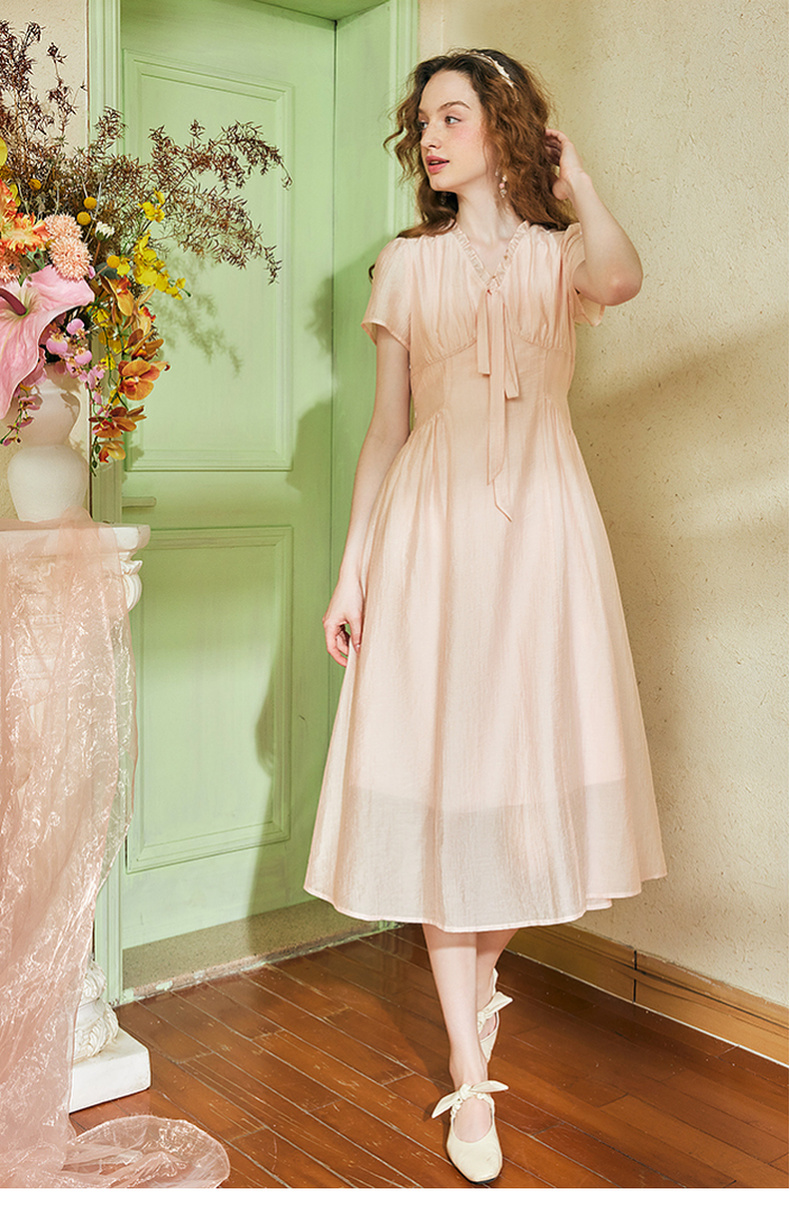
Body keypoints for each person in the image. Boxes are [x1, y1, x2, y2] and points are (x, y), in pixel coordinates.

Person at [304, 48, 666, 1185]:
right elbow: (385, 431)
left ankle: (479, 973)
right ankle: (469, 1069)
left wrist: (578, 177)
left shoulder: (561, 257)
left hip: (545, 532)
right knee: (446, 780)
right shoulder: (404, 265)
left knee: (528, 779)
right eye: (422, 121)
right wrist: (352, 572)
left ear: (505, 129)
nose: (429, 136)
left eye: (453, 116)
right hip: (431, 536)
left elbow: (621, 279)